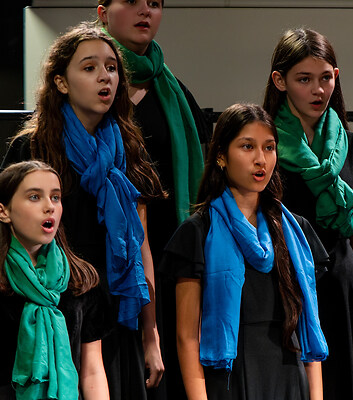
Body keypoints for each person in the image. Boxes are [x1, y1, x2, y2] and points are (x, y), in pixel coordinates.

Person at [1, 23, 165, 400]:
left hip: (115, 310)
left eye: (111, 67)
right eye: (89, 68)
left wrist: (151, 333)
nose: (104, 76)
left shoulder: (128, 150)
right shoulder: (33, 148)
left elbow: (140, 247)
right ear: (61, 82)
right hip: (55, 311)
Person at [161, 103, 329, 399]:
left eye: (269, 147)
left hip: (289, 379)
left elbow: (308, 328)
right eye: (247, 146)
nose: (261, 159)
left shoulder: (295, 232)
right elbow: (186, 338)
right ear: (221, 156)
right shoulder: (198, 231)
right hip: (229, 381)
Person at [263, 28, 353, 399]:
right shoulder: (264, 149)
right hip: (284, 293)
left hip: (343, 296)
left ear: (337, 76)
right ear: (280, 81)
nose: (318, 90)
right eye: (304, 79)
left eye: (326, 78)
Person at [96, 3, 211, 396]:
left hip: (168, 261)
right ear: (102, 12)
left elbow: (205, 183)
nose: (145, 10)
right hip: (101, 260)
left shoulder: (176, 94)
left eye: (156, 3)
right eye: (131, 0)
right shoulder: (88, 93)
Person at [0, 160, 109, 400]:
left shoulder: (80, 281)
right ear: (3, 211)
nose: (49, 207)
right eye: (34, 197)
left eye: (55, 197)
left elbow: (92, 371)